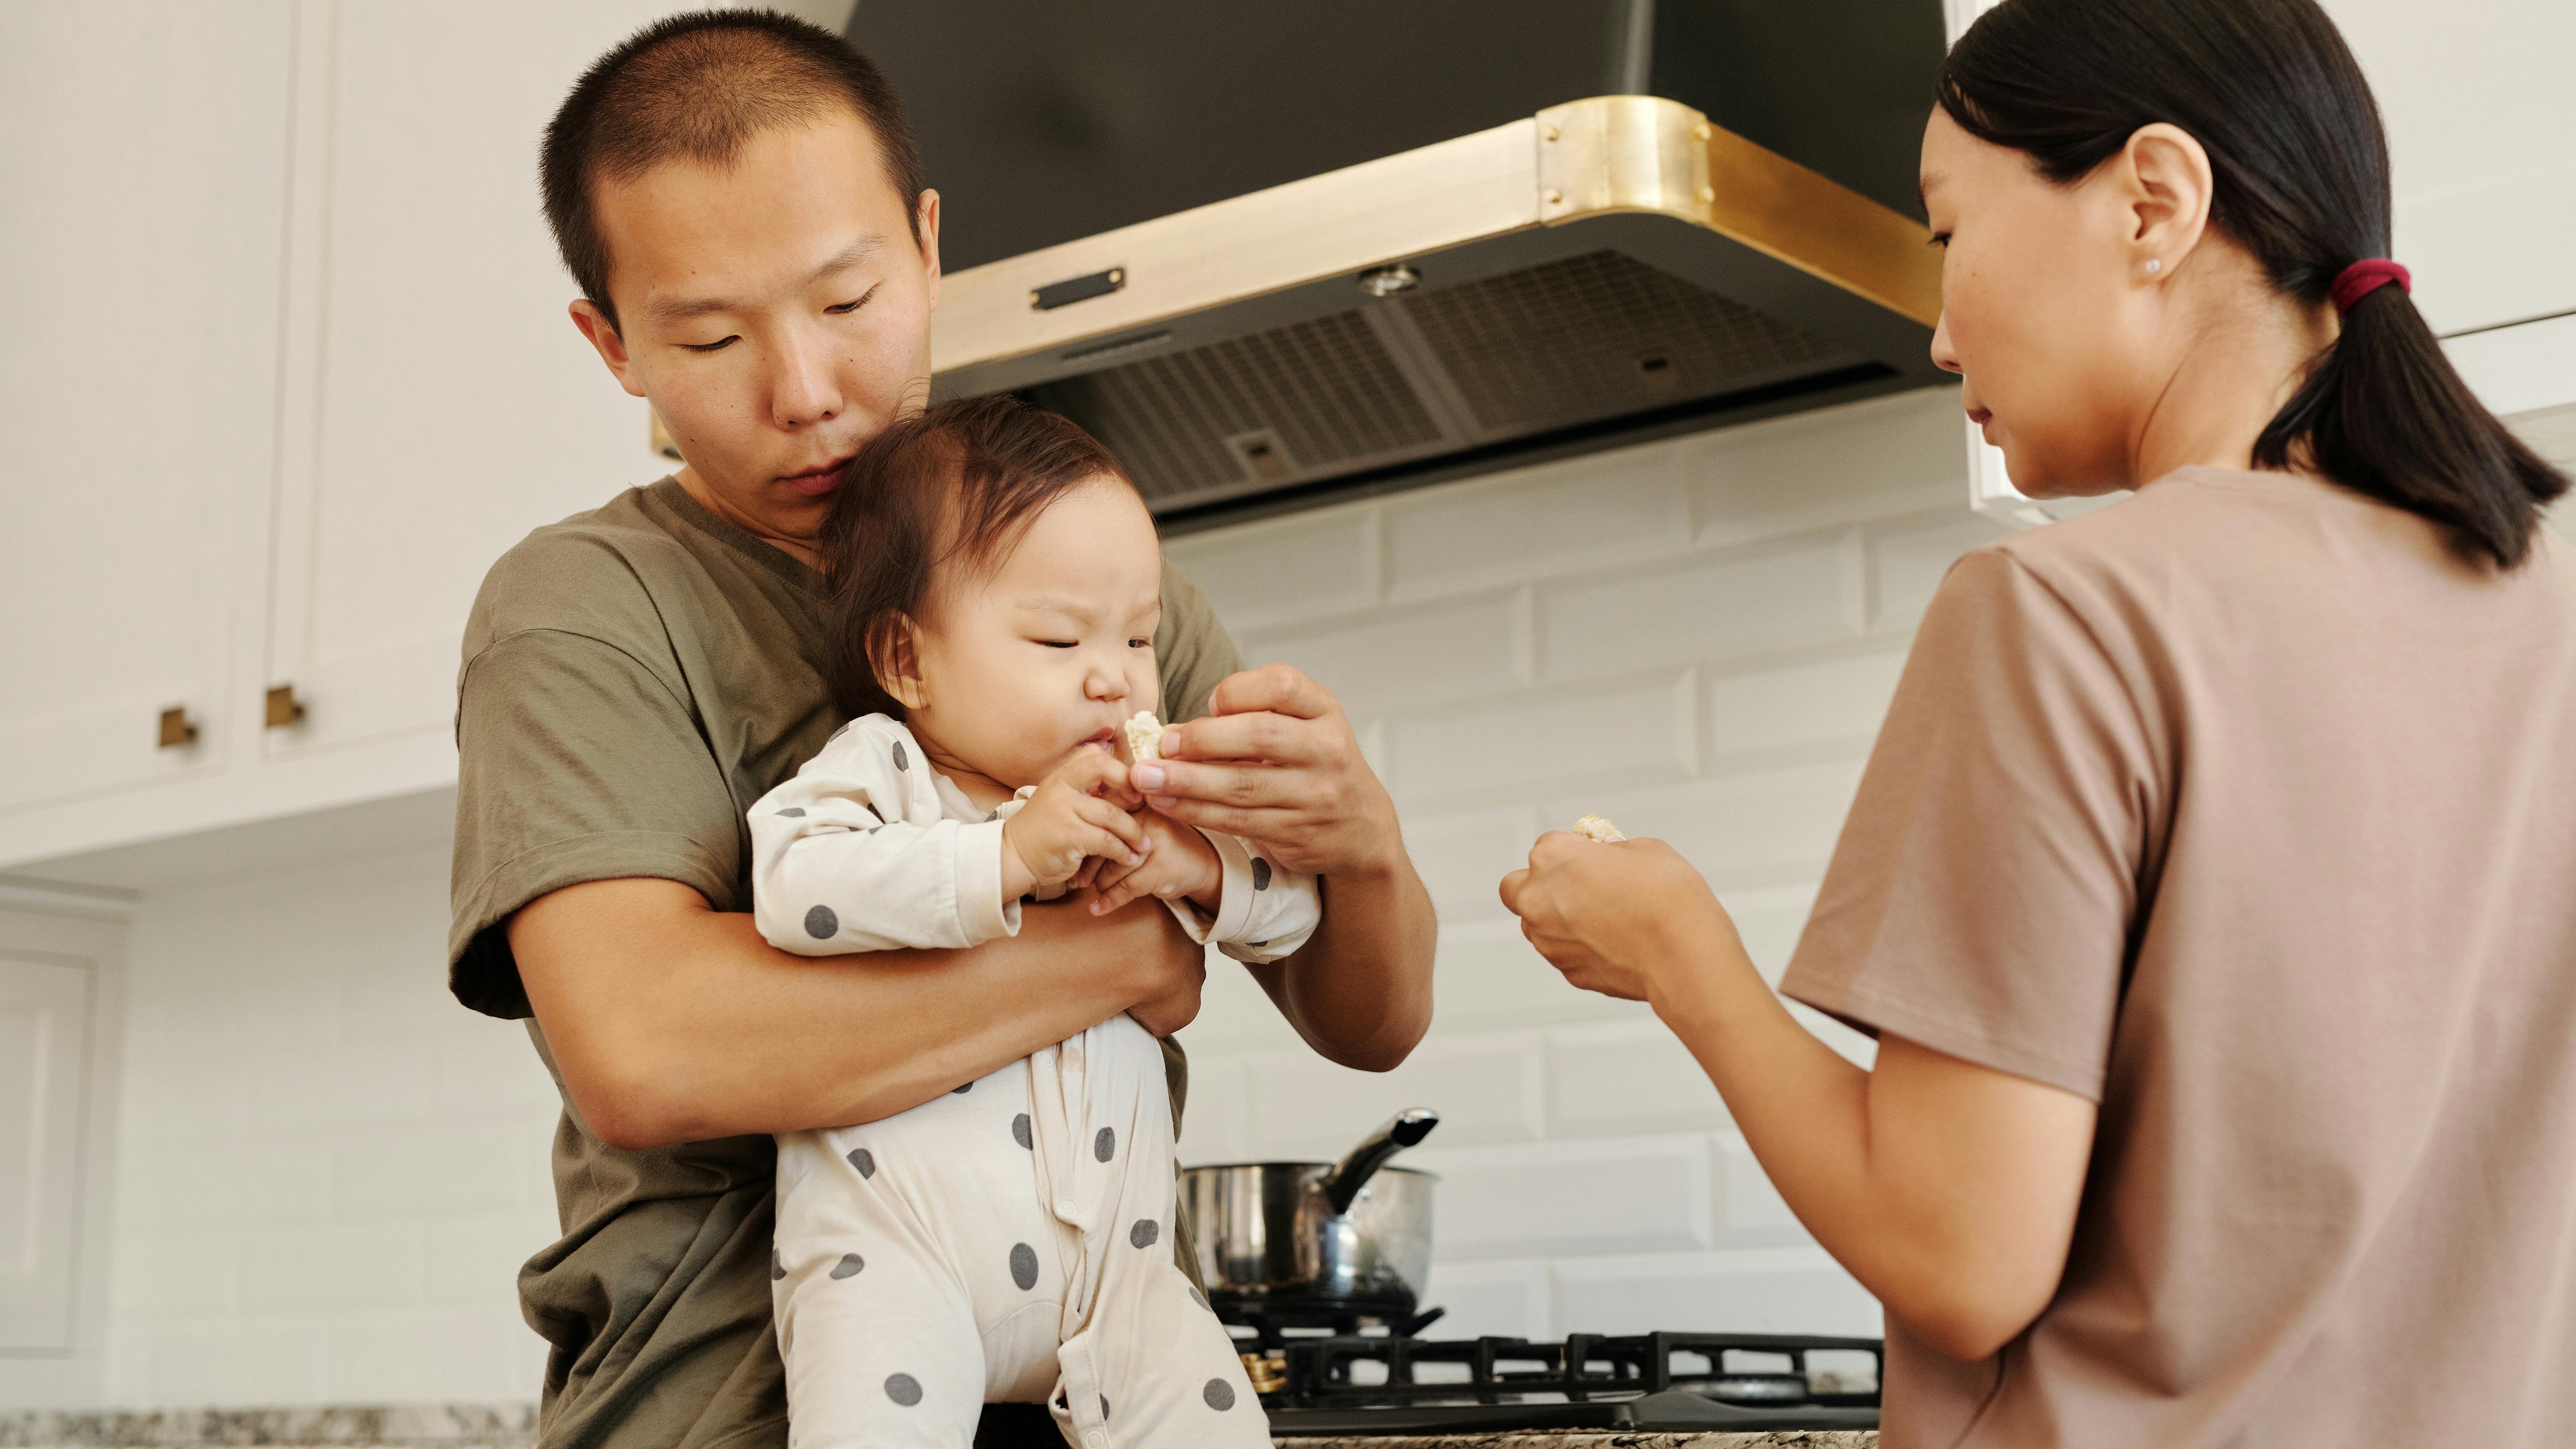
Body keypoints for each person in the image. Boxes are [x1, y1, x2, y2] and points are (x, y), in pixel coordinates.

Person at [1499, 0, 2573, 1445]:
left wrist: (1683, 952)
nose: (1941, 337)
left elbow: (1960, 1256)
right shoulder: (2549, 607)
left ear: (2153, 204)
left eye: (1949, 236)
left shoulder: (2062, 609)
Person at [447, 12, 1435, 1449]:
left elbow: (1370, 1018)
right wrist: (1123, 947)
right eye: (712, 336)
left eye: (848, 300)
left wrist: (1364, 844)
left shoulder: (1074, 573)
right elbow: (649, 1045)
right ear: (613, 344)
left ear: (925, 245)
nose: (805, 390)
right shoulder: (588, 604)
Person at [755, 397, 1303, 1448]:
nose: (1116, 673)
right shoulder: (887, 773)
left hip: (1123, 1278)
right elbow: (794, 883)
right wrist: (1005, 856)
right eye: (1058, 636)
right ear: (908, 661)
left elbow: (1291, 910)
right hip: (898, 1254)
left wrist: (1194, 864)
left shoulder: (1160, 799)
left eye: (1139, 635)